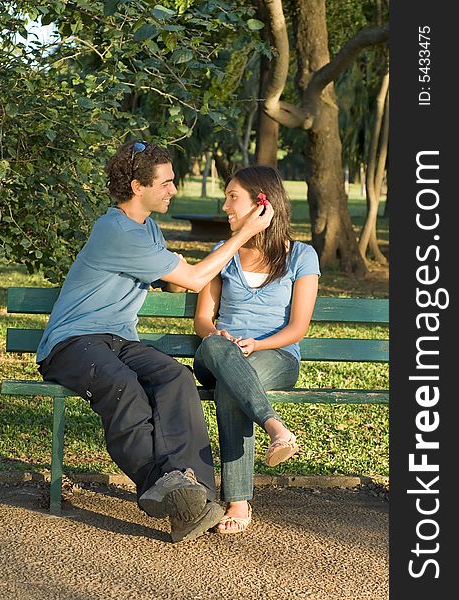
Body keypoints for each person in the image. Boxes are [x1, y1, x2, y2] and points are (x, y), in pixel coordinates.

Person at [36, 140, 273, 543]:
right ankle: (165, 487)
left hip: (118, 339)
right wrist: (245, 232)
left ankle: (191, 493)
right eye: (166, 183)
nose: (173, 190)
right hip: (73, 343)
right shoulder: (115, 230)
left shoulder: (148, 230)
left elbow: (174, 276)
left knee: (175, 380)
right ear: (136, 187)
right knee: (124, 387)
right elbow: (195, 279)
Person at [193, 165, 320, 534]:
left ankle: (237, 501)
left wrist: (258, 343)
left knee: (233, 386)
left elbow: (298, 328)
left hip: (275, 355)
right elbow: (203, 320)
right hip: (217, 353)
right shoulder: (223, 252)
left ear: (262, 204)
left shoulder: (300, 256)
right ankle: (275, 427)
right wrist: (221, 336)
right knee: (222, 354)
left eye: (233, 197)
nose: (225, 206)